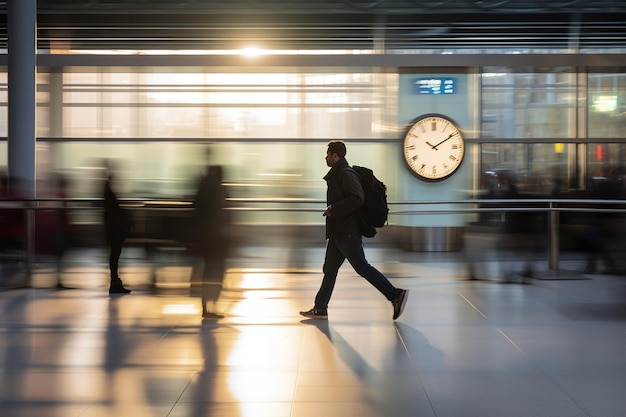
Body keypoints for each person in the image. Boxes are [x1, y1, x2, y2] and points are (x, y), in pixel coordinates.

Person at [300, 141, 408, 320]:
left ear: (336, 156)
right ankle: (320, 307)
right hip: (338, 232)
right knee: (330, 268)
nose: (325, 158)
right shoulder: (339, 174)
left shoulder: (345, 174)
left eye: (328, 154)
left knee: (362, 267)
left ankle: (395, 294)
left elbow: (357, 198)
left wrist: (333, 209)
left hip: (347, 232)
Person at [190, 165, 230, 319]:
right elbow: (221, 215)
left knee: (209, 273)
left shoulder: (206, 190)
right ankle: (209, 307)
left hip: (209, 241)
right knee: (214, 274)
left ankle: (207, 307)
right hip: (215, 241)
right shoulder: (215, 192)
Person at [103, 169, 132, 294]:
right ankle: (115, 282)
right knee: (115, 254)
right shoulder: (109, 192)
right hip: (114, 228)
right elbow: (114, 210)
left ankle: (115, 281)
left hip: (111, 227)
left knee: (114, 255)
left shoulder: (106, 190)